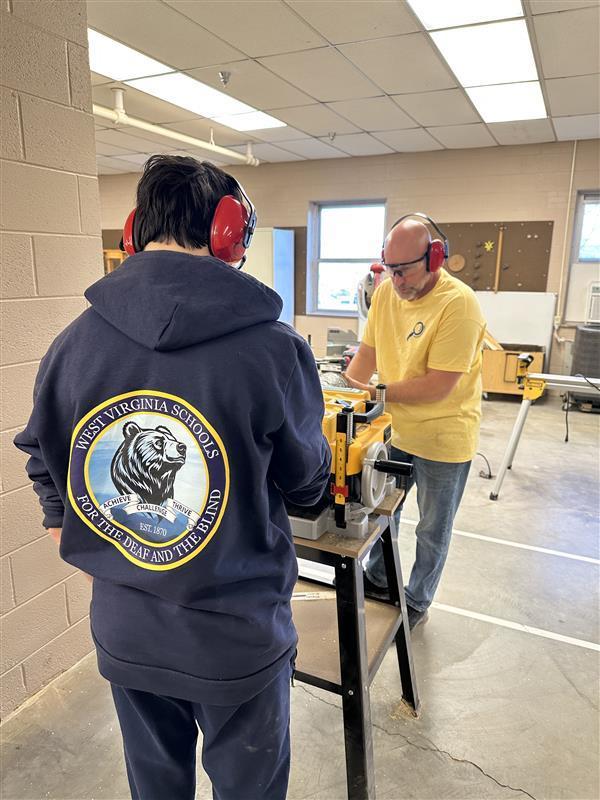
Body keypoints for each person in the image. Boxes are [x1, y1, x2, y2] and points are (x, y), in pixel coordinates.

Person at [14, 155, 331, 800]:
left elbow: (41, 456)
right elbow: (307, 484)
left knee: (155, 788)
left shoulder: (75, 342)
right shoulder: (274, 349)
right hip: (237, 640)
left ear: (133, 232)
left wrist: (71, 528)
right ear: (228, 232)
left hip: (127, 630)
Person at [344, 214, 485, 631]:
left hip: (445, 436)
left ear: (435, 258)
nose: (397, 280)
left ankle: (418, 597)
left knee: (432, 529)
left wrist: (373, 393)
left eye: (405, 270)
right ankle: (378, 578)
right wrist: (347, 391)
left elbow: (438, 386)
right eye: (391, 269)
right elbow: (367, 353)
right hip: (395, 429)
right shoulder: (387, 294)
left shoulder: (459, 304)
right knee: (383, 513)